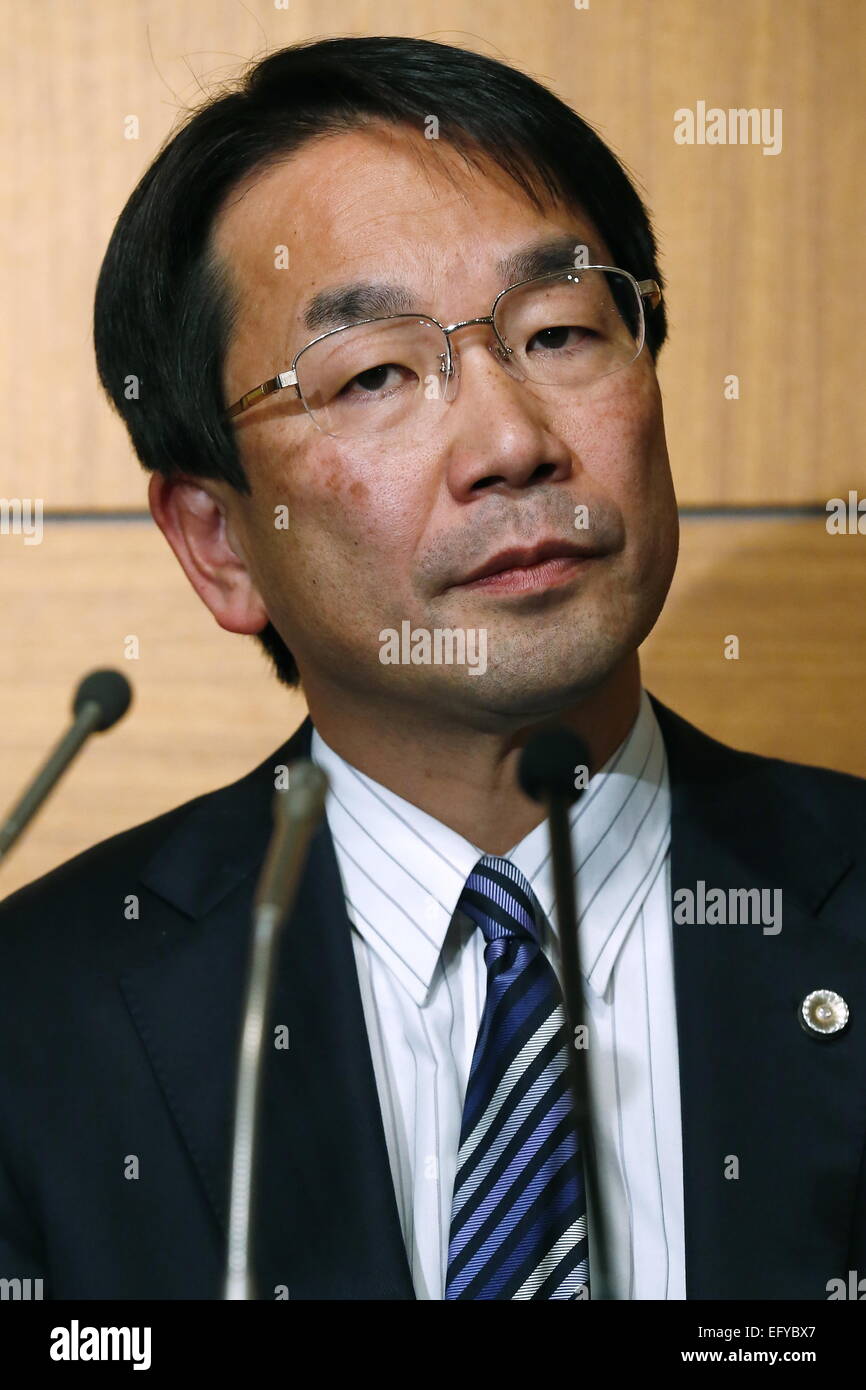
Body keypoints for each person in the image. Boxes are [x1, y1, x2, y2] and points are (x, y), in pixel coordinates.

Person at [1, 35, 864, 1302]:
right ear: (220, 540)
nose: (511, 442)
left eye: (562, 330)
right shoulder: (39, 1028)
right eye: (376, 373)